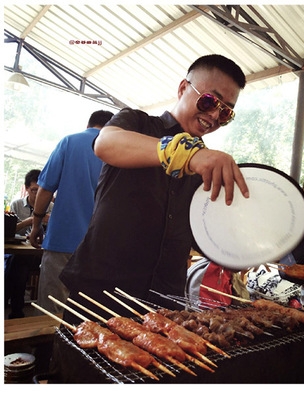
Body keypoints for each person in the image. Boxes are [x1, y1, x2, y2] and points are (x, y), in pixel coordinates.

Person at [58, 54, 250, 324]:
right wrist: (186, 154)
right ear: (183, 88)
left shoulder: (204, 165)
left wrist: (236, 247)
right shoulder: (137, 123)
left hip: (166, 303)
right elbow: (106, 144)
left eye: (226, 112)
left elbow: (199, 233)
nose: (215, 115)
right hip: (101, 294)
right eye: (209, 101)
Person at [29, 110, 114, 315]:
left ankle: (47, 348)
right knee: (89, 314)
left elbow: (46, 188)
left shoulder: (69, 142)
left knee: (52, 311)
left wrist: (36, 224)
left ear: (89, 124)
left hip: (62, 242)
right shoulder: (118, 151)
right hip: (101, 249)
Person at [5, 169, 53, 318]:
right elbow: (8, 231)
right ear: (26, 189)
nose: (38, 195)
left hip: (39, 255)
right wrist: (32, 220)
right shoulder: (17, 205)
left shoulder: (50, 207)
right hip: (19, 253)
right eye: (33, 190)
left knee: (16, 266)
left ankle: (13, 307)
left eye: (41, 191)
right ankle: (16, 309)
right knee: (18, 264)